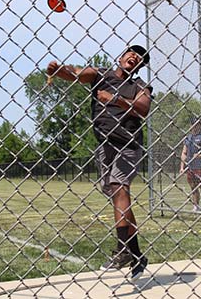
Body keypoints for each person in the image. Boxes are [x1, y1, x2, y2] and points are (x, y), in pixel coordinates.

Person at [47, 45, 152, 282]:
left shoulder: (140, 87)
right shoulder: (100, 75)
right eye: (131, 52)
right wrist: (57, 69)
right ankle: (135, 254)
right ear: (121, 56)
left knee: (119, 187)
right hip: (105, 146)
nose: (135, 56)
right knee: (118, 197)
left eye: (140, 58)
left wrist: (115, 99)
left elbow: (143, 108)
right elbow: (75, 73)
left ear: (140, 67)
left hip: (128, 144)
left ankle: (122, 248)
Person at [179, 117, 201, 212]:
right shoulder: (188, 138)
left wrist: (200, 155)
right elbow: (184, 153)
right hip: (190, 166)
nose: (195, 126)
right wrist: (182, 167)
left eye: (197, 124)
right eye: (193, 124)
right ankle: (196, 206)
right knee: (193, 187)